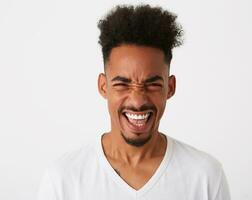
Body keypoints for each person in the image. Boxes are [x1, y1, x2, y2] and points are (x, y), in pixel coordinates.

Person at [37, 4, 231, 200]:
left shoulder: (205, 176)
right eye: (123, 84)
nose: (138, 101)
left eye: (152, 84)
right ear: (104, 86)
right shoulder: (63, 179)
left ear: (170, 87)